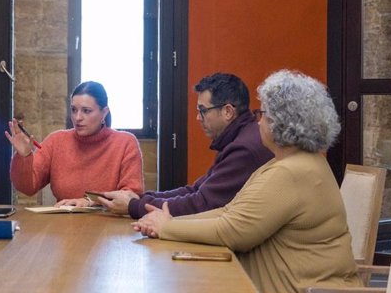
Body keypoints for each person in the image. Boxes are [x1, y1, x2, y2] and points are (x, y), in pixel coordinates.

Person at [133, 70, 371, 293]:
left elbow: (233, 230)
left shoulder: (291, 172)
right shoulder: (292, 164)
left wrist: (168, 227)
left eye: (264, 115)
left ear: (283, 123)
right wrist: (167, 222)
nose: (258, 122)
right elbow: (229, 211)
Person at [98, 72, 273, 218]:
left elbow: (201, 204)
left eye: (202, 111)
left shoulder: (244, 148)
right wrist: (141, 198)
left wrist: (134, 206)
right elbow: (195, 189)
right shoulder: (239, 137)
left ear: (227, 111)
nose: (198, 118)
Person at [6, 81, 143, 207]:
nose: (78, 118)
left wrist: (89, 202)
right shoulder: (56, 141)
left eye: (86, 111)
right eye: (74, 110)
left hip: (109, 228)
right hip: (63, 227)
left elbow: (131, 196)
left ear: (104, 113)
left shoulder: (125, 143)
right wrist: (24, 156)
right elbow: (28, 188)